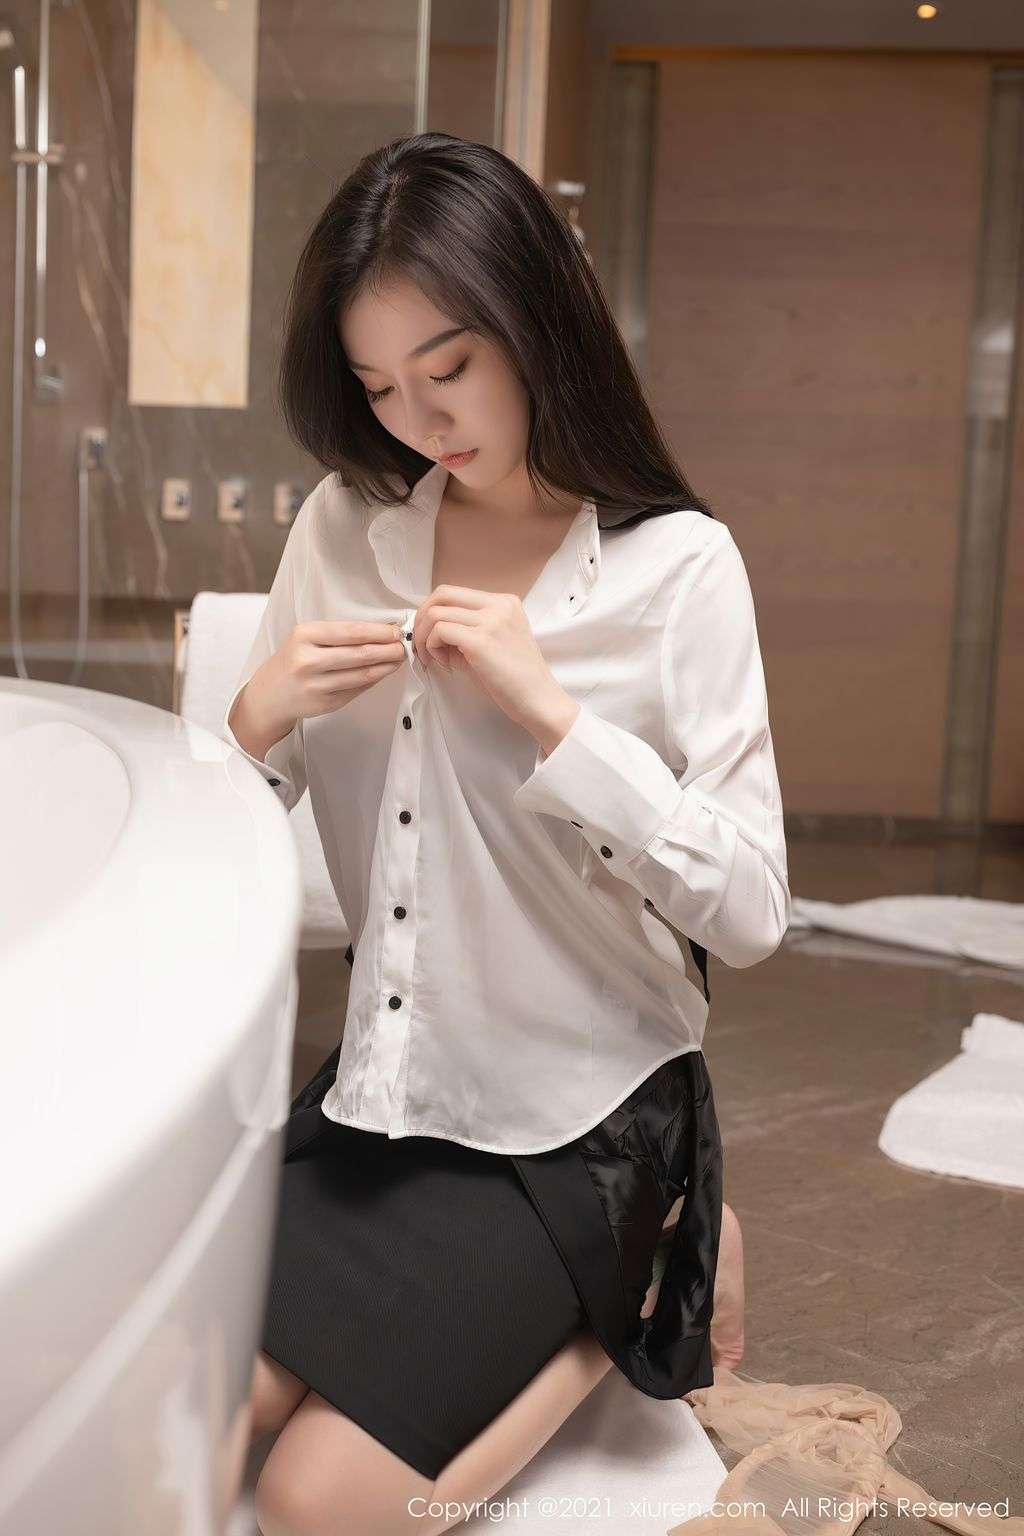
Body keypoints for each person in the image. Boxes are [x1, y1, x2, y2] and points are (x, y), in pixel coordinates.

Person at [222, 131, 789, 1535]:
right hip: (389, 1085)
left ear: (536, 320)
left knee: (312, 1505)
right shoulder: (342, 528)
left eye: (451, 367)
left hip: (580, 1118)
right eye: (378, 386)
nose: (420, 419)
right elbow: (224, 843)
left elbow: (754, 912)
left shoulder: (677, 567)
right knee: (199, 1417)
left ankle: (618, 1310)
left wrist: (559, 722)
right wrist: (252, 719)